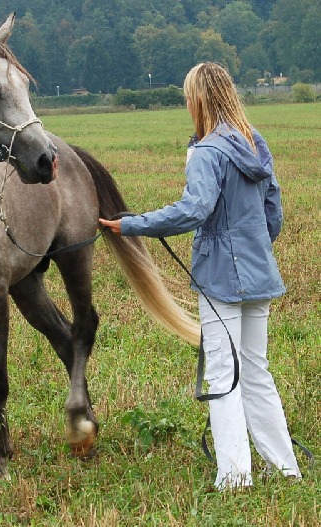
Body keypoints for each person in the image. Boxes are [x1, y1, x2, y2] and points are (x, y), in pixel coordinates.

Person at [99, 62, 301, 490]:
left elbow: (193, 211)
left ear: (199, 100)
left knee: (223, 374)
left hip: (221, 280)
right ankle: (286, 468)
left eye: (187, 96)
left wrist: (131, 224)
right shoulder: (254, 143)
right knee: (256, 370)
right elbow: (273, 211)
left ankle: (234, 476)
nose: (186, 103)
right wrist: (256, 250)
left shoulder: (208, 152)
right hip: (260, 274)